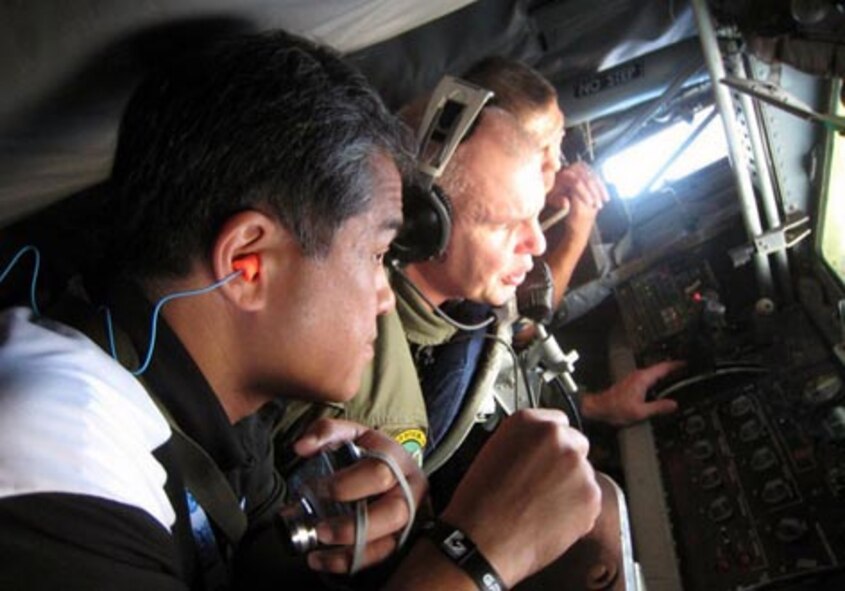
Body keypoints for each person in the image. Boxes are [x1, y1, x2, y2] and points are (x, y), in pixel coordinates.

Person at [0, 31, 601, 591]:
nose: (386, 293)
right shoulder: (53, 443)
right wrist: (474, 557)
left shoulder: (231, 426)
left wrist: (354, 531)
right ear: (248, 263)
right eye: (373, 253)